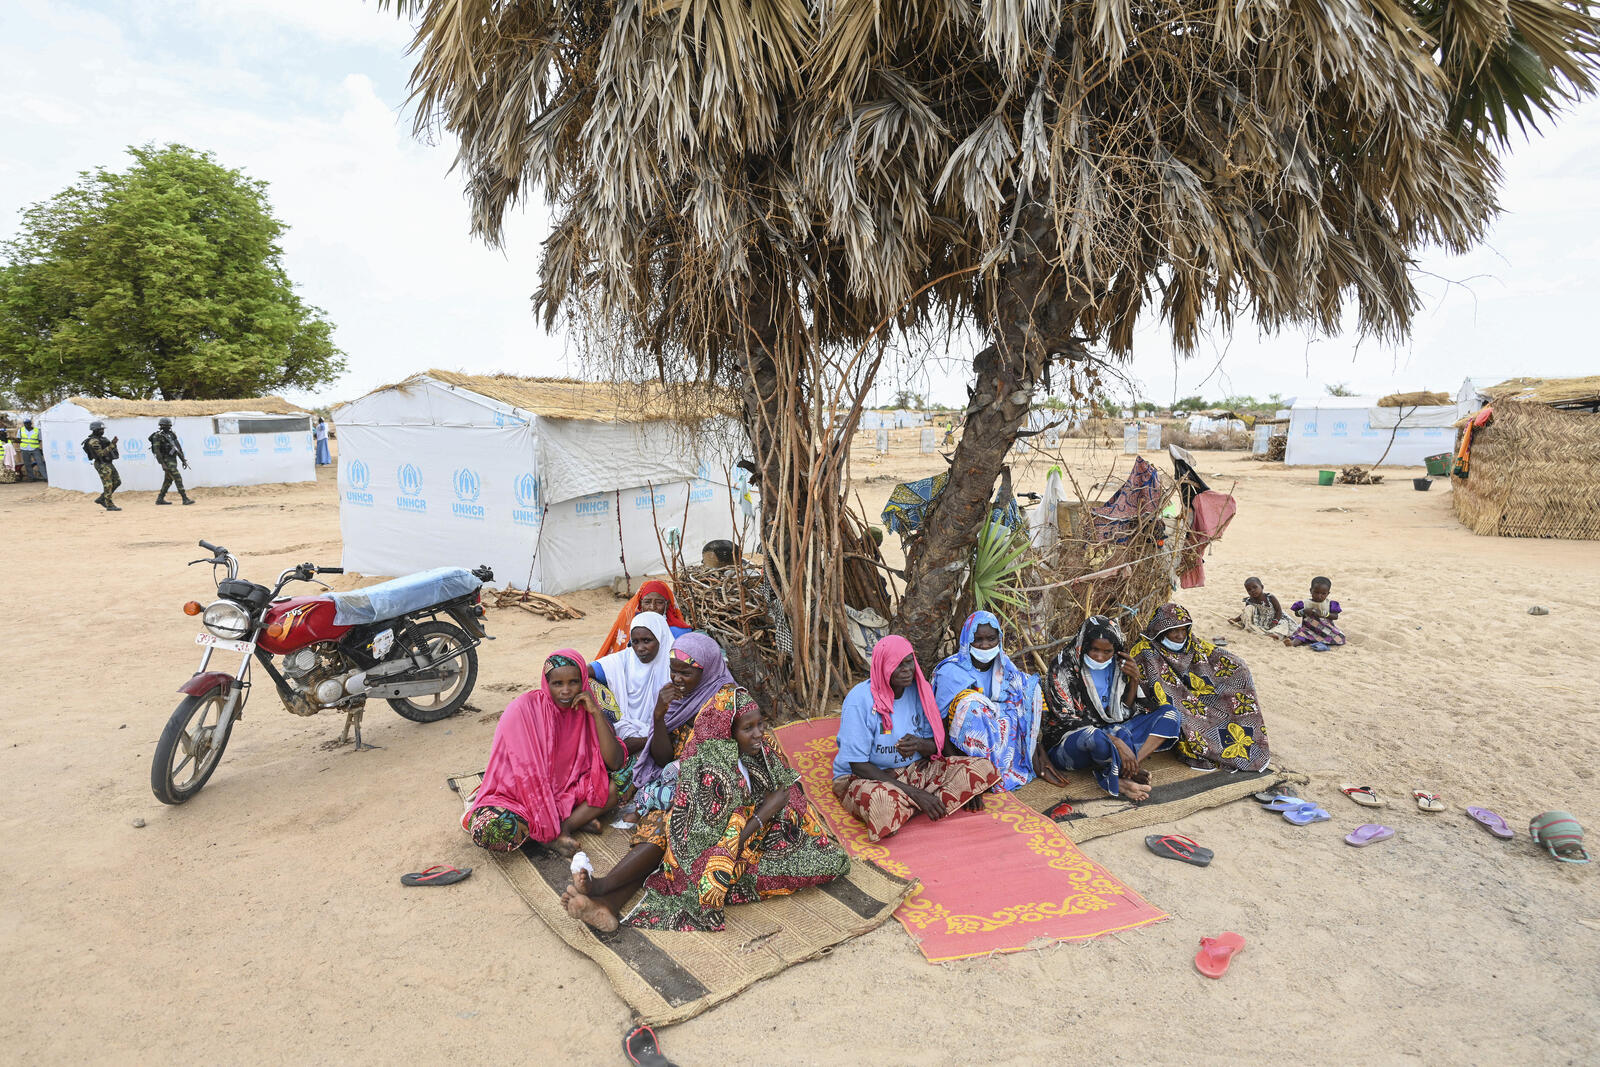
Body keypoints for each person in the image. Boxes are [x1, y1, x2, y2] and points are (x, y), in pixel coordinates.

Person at [561, 687, 849, 932]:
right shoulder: (709, 767)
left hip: (756, 843)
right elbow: (706, 843)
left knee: (827, 859)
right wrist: (763, 813)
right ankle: (604, 896)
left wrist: (773, 810)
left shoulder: (762, 748)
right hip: (720, 850)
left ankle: (606, 897)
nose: (759, 733)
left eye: (761, 724)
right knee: (670, 839)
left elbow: (789, 794)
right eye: (748, 729)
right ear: (727, 732)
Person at [832, 635, 999, 842]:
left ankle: (906, 807)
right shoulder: (860, 701)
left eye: (909, 662)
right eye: (897, 665)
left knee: (981, 768)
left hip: (914, 771)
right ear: (882, 666)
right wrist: (915, 793)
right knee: (882, 804)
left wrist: (919, 744)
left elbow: (935, 746)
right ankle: (919, 802)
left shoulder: (919, 690)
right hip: (868, 777)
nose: (907, 670)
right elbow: (858, 765)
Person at [462, 650, 628, 857]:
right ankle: (559, 828)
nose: (566, 691)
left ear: (583, 681)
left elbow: (615, 762)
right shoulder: (523, 710)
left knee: (626, 777)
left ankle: (565, 827)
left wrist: (595, 712)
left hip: (569, 791)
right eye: (558, 684)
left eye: (574, 682)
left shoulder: (587, 709)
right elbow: (524, 775)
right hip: (524, 797)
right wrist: (545, 816)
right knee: (490, 830)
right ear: (546, 683)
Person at [1041, 616, 1182, 801]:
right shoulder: (1063, 668)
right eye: (1094, 650)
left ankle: (1128, 766)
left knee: (1171, 715)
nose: (1099, 657)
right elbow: (1068, 721)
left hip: (1111, 729)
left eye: (1107, 651)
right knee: (1097, 738)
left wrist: (1134, 681)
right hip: (1072, 741)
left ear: (1115, 650)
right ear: (1083, 645)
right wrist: (1117, 742)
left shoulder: (1118, 666)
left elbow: (1125, 713)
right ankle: (1119, 776)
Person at [1130, 603, 1271, 773]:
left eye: (1184, 630)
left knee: (1238, 676)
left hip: (1200, 694)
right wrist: (1182, 695)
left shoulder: (1192, 642)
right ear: (1161, 630)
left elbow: (1214, 656)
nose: (1181, 635)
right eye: (1174, 630)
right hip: (1173, 699)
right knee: (1181, 713)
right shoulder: (1146, 650)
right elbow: (1155, 685)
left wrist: (1240, 666)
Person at [931, 611, 1045, 792]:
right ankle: (978, 771)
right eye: (978, 640)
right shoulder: (951, 671)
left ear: (999, 638)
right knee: (973, 707)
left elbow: (1024, 700)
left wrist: (1037, 748)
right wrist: (954, 763)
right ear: (967, 640)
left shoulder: (1004, 665)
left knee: (1028, 693)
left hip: (998, 736)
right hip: (961, 744)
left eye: (991, 639)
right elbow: (939, 723)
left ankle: (1004, 768)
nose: (985, 646)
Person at [632, 632, 729, 812]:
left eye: (685, 673)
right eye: (673, 670)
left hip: (713, 783)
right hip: (673, 774)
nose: (676, 678)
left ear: (707, 670)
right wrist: (659, 715)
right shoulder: (672, 697)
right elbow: (662, 759)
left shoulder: (727, 699)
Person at [588, 611, 675, 793]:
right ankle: (641, 744)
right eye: (635, 642)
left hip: (664, 732)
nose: (640, 648)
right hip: (626, 727)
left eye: (647, 640)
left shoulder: (675, 664)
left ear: (661, 637)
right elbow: (585, 671)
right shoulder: (625, 659)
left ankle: (640, 746)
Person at [595, 579, 692, 658]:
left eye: (659, 602)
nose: (652, 607)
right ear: (640, 604)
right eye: (647, 602)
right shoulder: (631, 625)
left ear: (667, 604)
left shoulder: (680, 633)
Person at [1230, 577, 1293, 641]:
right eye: (1249, 590)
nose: (1252, 590)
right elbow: (1246, 613)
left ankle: (1275, 635)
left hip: (1274, 620)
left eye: (1255, 587)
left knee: (1282, 627)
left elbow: (1279, 611)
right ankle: (1263, 633)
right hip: (1258, 622)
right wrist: (1235, 620)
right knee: (1249, 610)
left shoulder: (1270, 598)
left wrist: (1274, 622)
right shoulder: (1249, 601)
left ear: (1262, 587)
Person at [148, 417, 194, 506]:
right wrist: (162, 464)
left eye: (169, 426)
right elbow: (157, 451)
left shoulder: (171, 434)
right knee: (177, 477)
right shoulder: (157, 436)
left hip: (173, 459)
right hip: (166, 460)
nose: (168, 427)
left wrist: (183, 460)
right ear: (161, 426)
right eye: (166, 426)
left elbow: (178, 448)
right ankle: (185, 498)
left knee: (168, 480)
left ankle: (160, 499)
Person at [1289, 577, 1346, 647]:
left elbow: (1335, 616)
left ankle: (1316, 641)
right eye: (1316, 592)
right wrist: (1304, 611)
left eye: (1323, 594)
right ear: (1311, 591)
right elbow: (1296, 614)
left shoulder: (1330, 604)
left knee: (1340, 637)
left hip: (1326, 630)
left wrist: (1323, 614)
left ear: (1328, 593)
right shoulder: (1305, 603)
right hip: (1308, 629)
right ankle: (1291, 644)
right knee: (1300, 636)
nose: (1319, 596)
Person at [81, 421, 121, 511]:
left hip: (108, 463)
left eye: (103, 429)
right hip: (102, 464)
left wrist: (112, 445)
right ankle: (109, 504)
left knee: (117, 482)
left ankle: (102, 498)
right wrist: (112, 444)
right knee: (108, 485)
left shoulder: (102, 439)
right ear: (95, 430)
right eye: (101, 429)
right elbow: (101, 454)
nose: (103, 431)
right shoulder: (93, 441)